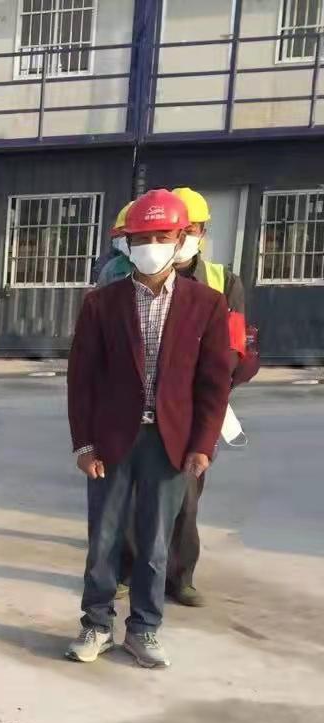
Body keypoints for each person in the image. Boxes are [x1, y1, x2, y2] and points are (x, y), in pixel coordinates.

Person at [64, 189, 234, 669]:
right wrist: (84, 444)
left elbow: (214, 381)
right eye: (143, 238)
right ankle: (96, 624)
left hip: (171, 441)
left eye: (162, 236)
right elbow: (82, 379)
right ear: (127, 243)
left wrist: (203, 443)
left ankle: (144, 629)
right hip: (112, 440)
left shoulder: (207, 304)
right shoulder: (102, 303)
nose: (152, 246)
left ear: (181, 240)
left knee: (156, 542)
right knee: (104, 539)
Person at [117, 186, 257, 606]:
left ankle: (180, 576)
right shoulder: (124, 278)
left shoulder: (221, 282)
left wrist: (214, 391)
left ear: (195, 233)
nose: (162, 243)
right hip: (137, 405)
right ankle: (127, 570)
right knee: (131, 495)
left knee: (185, 498)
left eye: (191, 229)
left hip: (190, 409)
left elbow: (234, 348)